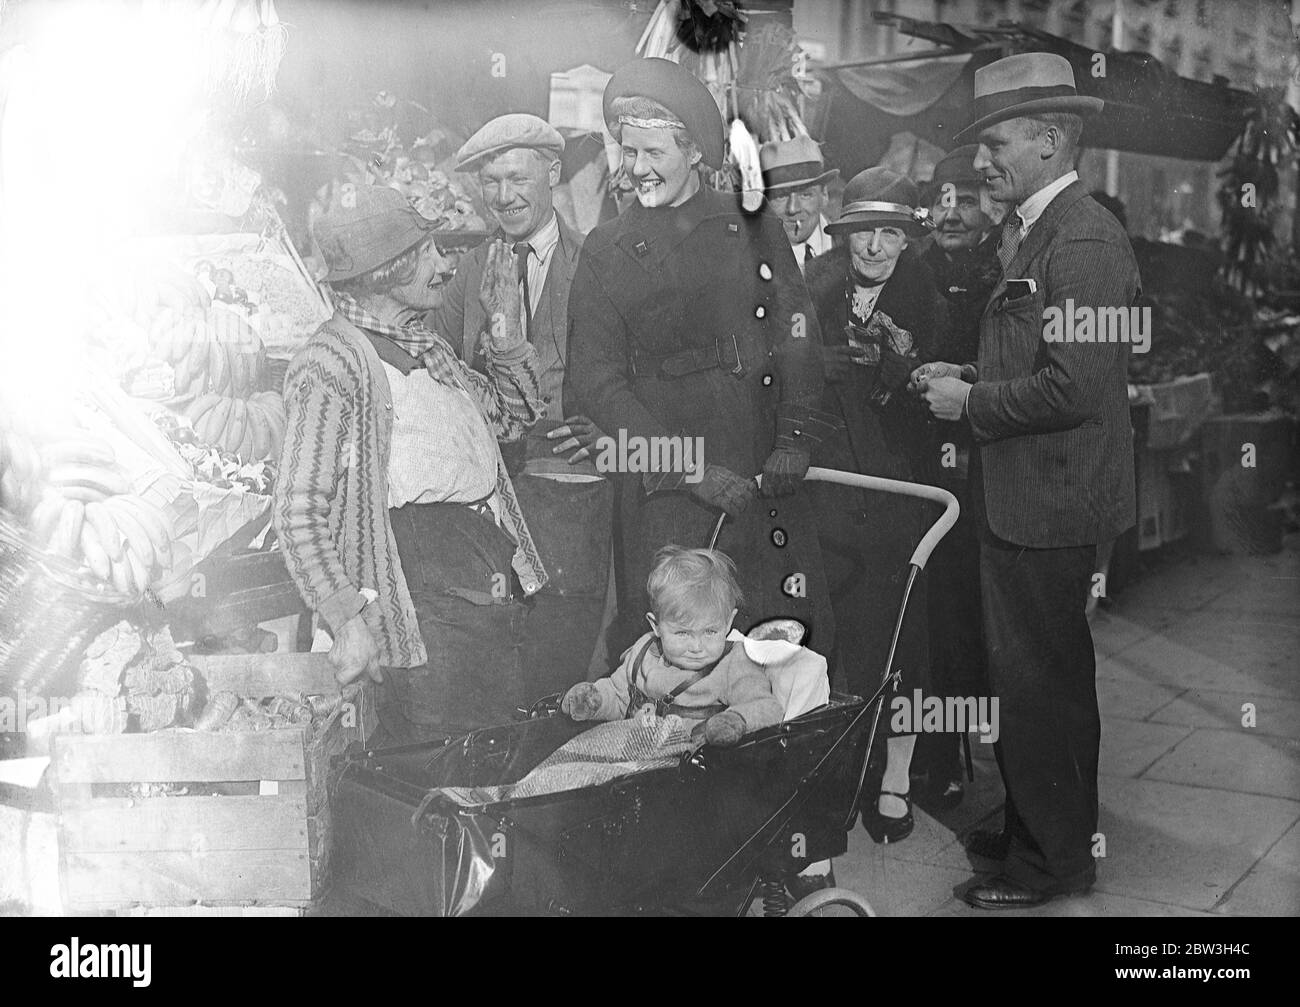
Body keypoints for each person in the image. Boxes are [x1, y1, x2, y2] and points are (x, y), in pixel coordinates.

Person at [916, 52, 1138, 909]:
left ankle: (1052, 865)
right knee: (1040, 680)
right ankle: (1041, 828)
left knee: (1035, 686)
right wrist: (969, 366)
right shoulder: (1044, 229)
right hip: (1033, 492)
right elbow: (1041, 357)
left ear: (1050, 139)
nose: (983, 161)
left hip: (1047, 500)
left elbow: (1075, 387)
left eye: (998, 141)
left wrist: (967, 400)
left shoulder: (1081, 238)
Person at [568, 57, 837, 658]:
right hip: (664, 488)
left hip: (760, 461)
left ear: (693, 151)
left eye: (653, 153)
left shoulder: (753, 224)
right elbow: (597, 384)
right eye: (628, 152)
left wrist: (794, 437)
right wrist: (689, 472)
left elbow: (796, 331)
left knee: (775, 642)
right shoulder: (605, 251)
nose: (636, 169)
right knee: (678, 648)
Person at [274, 183, 549, 743]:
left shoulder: (428, 348)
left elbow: (512, 421)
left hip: (481, 581)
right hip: (423, 593)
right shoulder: (331, 361)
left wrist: (504, 327)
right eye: (427, 252)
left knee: (493, 755)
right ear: (385, 270)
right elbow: (298, 509)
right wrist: (345, 619)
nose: (444, 265)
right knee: (440, 761)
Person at [433, 113, 615, 701]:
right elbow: (436, 361)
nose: (504, 196)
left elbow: (630, 375)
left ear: (553, 174)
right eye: (490, 182)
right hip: (486, 504)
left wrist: (608, 431)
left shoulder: (596, 263)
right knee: (490, 667)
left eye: (517, 178)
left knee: (558, 669)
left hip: (569, 501)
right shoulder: (468, 271)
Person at [804, 166, 945, 845]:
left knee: (901, 639)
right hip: (829, 488)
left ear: (907, 239)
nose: (875, 249)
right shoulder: (816, 291)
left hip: (898, 493)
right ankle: (832, 772)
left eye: (891, 233)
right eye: (864, 232)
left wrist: (893, 370)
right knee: (831, 633)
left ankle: (895, 780)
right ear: (846, 233)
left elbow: (937, 404)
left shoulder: (930, 303)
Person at [911, 144, 1001, 810]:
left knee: (962, 618)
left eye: (965, 199)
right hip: (915, 463)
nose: (951, 212)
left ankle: (946, 755)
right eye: (942, 198)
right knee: (919, 613)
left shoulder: (1000, 269)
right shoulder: (912, 268)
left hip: (976, 468)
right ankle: (914, 752)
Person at [561, 545, 782, 746]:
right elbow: (619, 696)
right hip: (633, 749)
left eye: (710, 631)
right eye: (683, 633)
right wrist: (595, 700)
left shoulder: (734, 663)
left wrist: (734, 720)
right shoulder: (644, 651)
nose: (697, 646)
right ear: (656, 626)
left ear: (728, 622)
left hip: (691, 765)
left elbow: (767, 707)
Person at [760, 135, 837, 273]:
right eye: (781, 196)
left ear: (824, 195)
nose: (792, 208)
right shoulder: (750, 257)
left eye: (805, 195)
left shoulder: (848, 248)